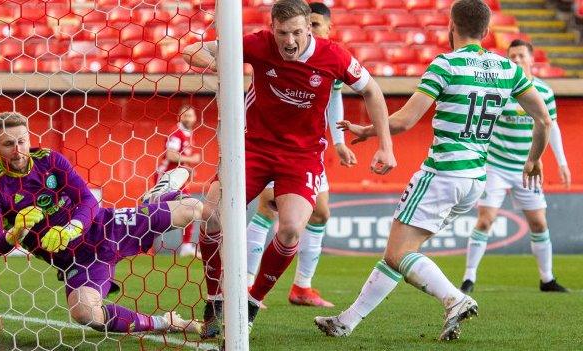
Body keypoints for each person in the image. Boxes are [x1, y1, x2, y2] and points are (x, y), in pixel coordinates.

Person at [315, 0, 552, 341]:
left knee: (400, 253)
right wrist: (533, 158)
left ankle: (453, 299)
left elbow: (407, 119)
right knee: (400, 252)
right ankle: (346, 321)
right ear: (486, 32)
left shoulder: (446, 64)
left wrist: (369, 131)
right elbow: (543, 119)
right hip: (475, 179)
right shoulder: (508, 70)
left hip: (442, 172)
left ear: (451, 26)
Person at [183, 0, 396, 338]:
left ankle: (251, 304)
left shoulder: (334, 56)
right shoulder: (257, 44)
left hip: (301, 156)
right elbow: (192, 51)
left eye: (297, 32)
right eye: (283, 33)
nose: (290, 41)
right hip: (252, 147)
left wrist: (385, 145)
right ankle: (215, 300)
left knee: (292, 230)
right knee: (210, 214)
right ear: (272, 29)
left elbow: (371, 90)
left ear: (309, 29)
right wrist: (222, 65)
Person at [0, 112, 203, 335]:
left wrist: (71, 229)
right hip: (80, 262)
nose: (17, 151)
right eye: (8, 144)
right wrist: (17, 231)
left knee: (194, 208)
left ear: (29, 138)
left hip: (106, 227)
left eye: (21, 141)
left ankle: (157, 198)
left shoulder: (49, 159)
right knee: (83, 312)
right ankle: (165, 323)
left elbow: (88, 200)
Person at [245, 1, 357, 308]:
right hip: (273, 142)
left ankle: (302, 286)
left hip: (308, 148)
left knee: (320, 213)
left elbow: (333, 100)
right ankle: (246, 281)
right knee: (270, 206)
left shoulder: (328, 57)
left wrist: (339, 141)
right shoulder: (282, 52)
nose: (297, 38)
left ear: (324, 28)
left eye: (318, 26)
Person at [460, 39, 571, 294]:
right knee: (485, 220)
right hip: (496, 166)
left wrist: (561, 162)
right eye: (512, 56)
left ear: (532, 59)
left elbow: (551, 127)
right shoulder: (500, 89)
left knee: (539, 224)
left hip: (528, 169)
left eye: (521, 55)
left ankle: (547, 279)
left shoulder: (544, 92)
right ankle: (469, 278)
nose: (517, 60)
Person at [154, 104, 202, 257]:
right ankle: (142, 242)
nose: (188, 118)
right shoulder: (176, 133)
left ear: (195, 118)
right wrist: (192, 159)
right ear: (179, 117)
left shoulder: (188, 133)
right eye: (185, 115)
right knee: (155, 211)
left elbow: (179, 159)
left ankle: (187, 245)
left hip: (178, 177)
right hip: (167, 177)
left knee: (189, 207)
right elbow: (171, 155)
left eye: (191, 115)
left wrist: (188, 169)